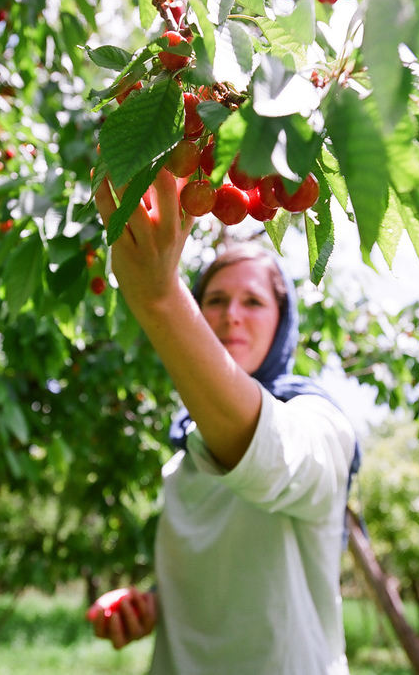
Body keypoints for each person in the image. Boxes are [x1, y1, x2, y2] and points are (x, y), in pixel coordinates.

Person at [87, 167, 358, 675]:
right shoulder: (184, 453)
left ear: (283, 325)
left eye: (253, 301)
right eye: (214, 299)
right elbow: (228, 580)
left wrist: (161, 299)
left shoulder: (320, 422)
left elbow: (271, 456)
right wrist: (154, 603)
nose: (232, 314)